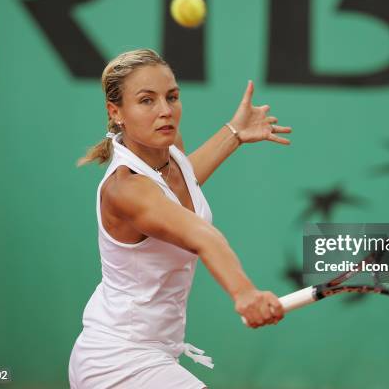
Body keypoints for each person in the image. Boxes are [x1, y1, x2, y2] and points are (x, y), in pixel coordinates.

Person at [68, 49, 292, 388]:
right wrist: (244, 292)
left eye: (172, 97)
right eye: (147, 101)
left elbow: (183, 185)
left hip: (155, 353)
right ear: (117, 113)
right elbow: (203, 236)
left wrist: (234, 133)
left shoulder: (168, 152)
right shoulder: (126, 189)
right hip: (117, 361)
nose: (165, 111)